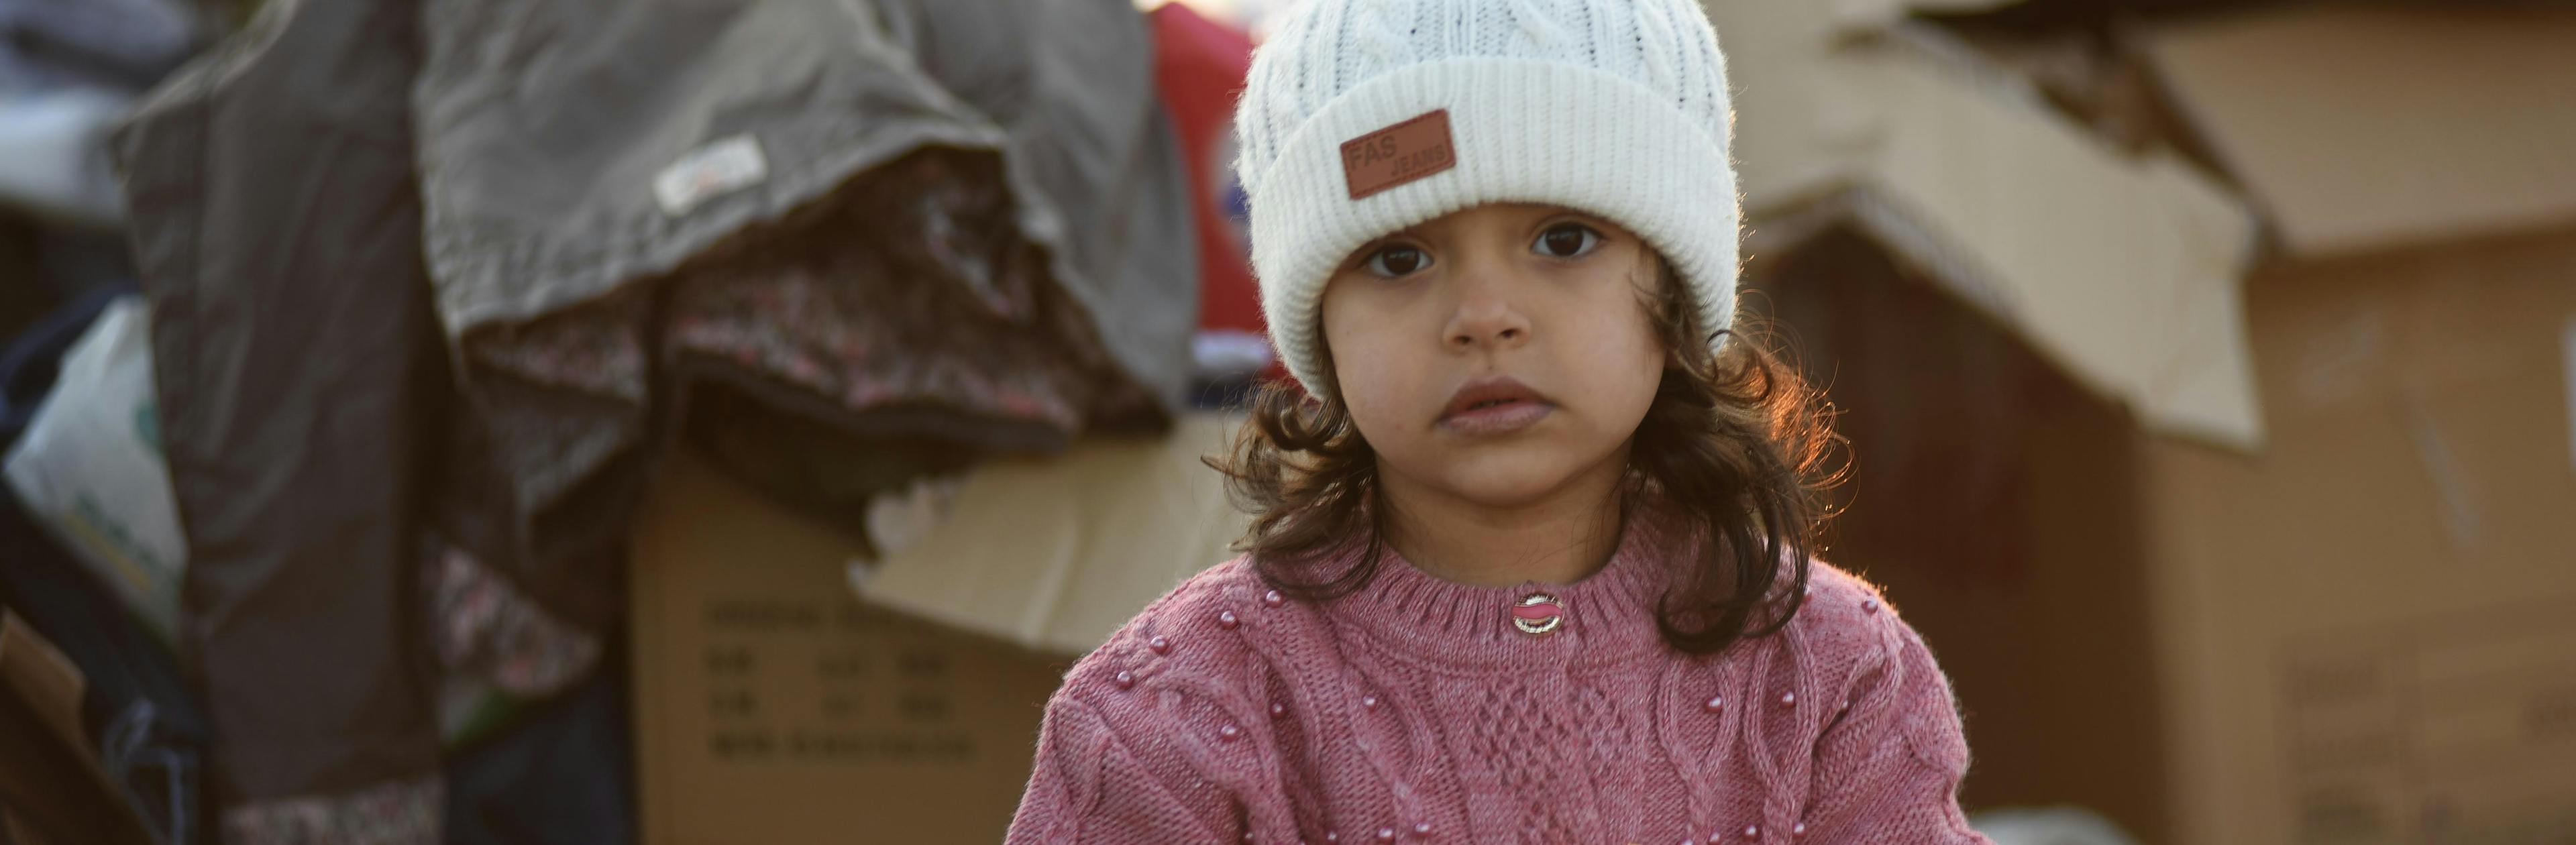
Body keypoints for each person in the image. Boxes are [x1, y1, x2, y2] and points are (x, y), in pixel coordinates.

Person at [1005, 1, 1991, 842]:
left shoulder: (1833, 674)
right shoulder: (1168, 720)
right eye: (1399, 259)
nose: (1485, 316)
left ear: (1677, 290)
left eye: (1563, 241)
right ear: (1318, 325)